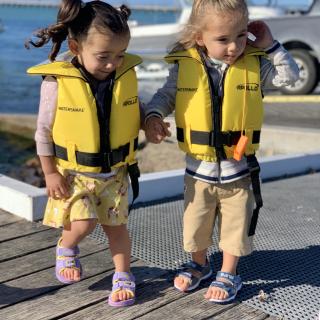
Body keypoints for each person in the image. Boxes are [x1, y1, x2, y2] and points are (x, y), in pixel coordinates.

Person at [144, 0, 299, 303]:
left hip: (238, 171)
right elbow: (165, 95)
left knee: (235, 224)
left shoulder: (256, 64)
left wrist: (271, 45)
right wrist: (152, 115)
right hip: (197, 171)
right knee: (195, 222)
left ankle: (229, 272)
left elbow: (290, 78)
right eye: (223, 39)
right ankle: (199, 265)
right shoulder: (184, 64)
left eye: (241, 35)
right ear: (199, 37)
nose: (234, 47)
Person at [26, 0, 143, 307]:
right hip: (75, 175)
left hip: (114, 173)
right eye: (104, 56)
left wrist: (150, 121)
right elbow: (43, 132)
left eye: (119, 55)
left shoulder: (122, 73)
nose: (113, 63)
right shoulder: (57, 82)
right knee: (83, 225)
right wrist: (50, 172)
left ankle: (123, 274)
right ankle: (66, 246)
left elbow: (131, 107)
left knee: (117, 229)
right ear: (76, 47)